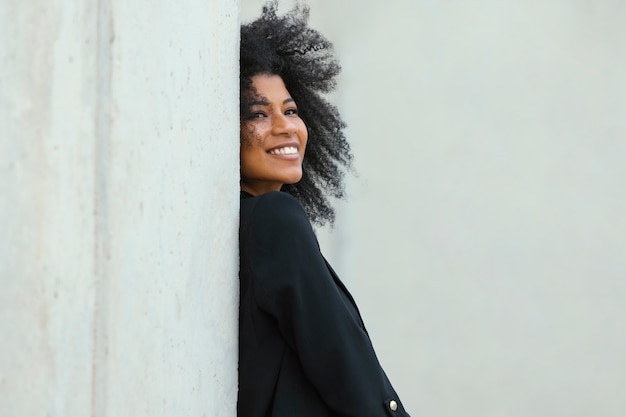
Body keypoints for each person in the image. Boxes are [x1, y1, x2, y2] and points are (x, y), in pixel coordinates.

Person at [238, 2, 411, 416]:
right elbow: (343, 363)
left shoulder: (243, 225)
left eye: (291, 110)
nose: (286, 127)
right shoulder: (273, 219)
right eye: (258, 113)